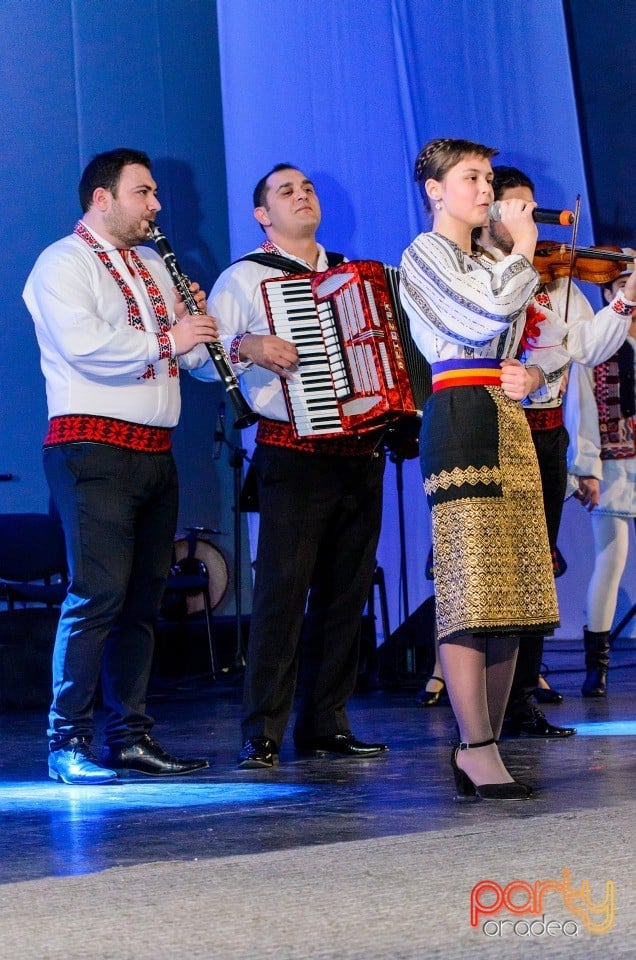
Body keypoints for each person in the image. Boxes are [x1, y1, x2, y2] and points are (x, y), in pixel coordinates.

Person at [23, 148, 219, 784]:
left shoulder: (155, 265)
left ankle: (129, 736)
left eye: (156, 192)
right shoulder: (62, 262)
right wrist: (170, 339)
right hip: (91, 450)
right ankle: (66, 741)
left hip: (153, 452)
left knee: (141, 602)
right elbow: (85, 347)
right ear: (102, 198)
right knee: (97, 595)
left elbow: (184, 362)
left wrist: (203, 333)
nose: (156, 205)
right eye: (144, 192)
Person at [194, 163, 388, 768]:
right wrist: (245, 345)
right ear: (262, 215)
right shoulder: (245, 278)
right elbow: (201, 358)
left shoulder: (356, 277)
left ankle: (326, 720)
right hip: (290, 450)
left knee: (345, 594)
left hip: (360, 450)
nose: (302, 196)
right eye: (286, 191)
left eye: (307, 189)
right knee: (282, 592)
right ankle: (263, 728)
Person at [400, 138, 562, 801]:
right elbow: (481, 313)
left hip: (503, 410)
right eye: (471, 176)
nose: (486, 187)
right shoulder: (425, 252)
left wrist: (533, 372)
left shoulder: (490, 256)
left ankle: (486, 745)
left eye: (489, 176)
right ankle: (475, 745)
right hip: (460, 414)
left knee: (513, 586)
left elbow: (519, 339)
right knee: (472, 580)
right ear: (436, 190)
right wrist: (523, 248)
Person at [476, 166, 635, 736]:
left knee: (538, 565)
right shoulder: (485, 276)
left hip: (547, 432)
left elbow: (588, 350)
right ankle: (484, 699)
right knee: (501, 565)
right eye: (515, 208)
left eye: (532, 209)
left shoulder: (562, 282)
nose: (529, 222)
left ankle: (524, 697)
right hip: (496, 428)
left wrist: (622, 302)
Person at [565, 255, 636, 696]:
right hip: (614, 464)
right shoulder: (598, 345)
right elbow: (584, 410)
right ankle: (598, 666)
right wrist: (586, 468)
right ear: (611, 293)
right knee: (612, 560)